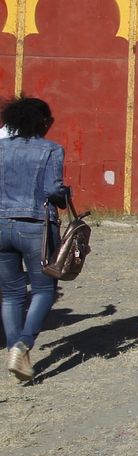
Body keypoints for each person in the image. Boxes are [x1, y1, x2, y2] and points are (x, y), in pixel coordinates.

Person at [1, 95, 67, 380]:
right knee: (44, 290)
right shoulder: (51, 150)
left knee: (12, 293)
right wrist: (66, 195)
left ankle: (15, 350)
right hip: (35, 225)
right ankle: (23, 343)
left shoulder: (0, 149)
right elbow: (53, 190)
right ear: (43, 123)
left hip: (0, 224)